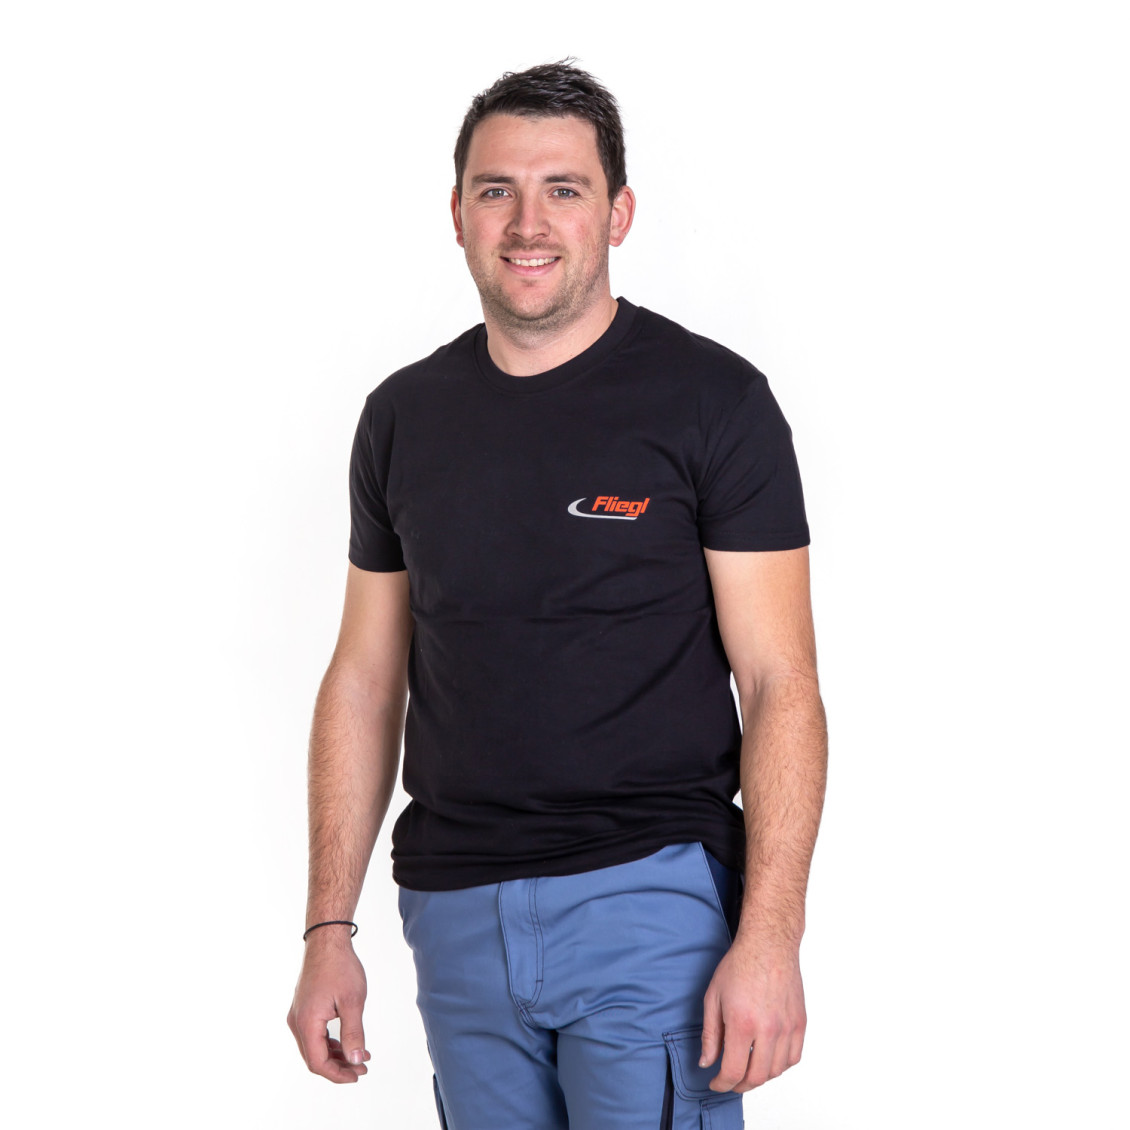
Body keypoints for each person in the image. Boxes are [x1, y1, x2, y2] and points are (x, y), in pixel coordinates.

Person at [287, 61, 828, 1130]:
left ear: (617, 213)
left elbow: (780, 683)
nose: (527, 222)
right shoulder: (402, 417)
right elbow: (363, 679)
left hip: (648, 899)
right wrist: (326, 928)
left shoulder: (713, 402)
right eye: (496, 189)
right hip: (453, 911)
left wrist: (771, 937)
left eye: (563, 189)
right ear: (456, 214)